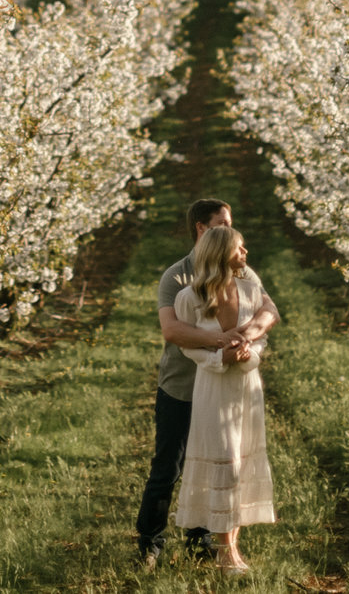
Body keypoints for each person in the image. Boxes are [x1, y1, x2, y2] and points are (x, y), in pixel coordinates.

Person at [136, 198, 280, 566]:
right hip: (183, 384)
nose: (231, 232)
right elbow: (172, 330)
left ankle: (203, 542)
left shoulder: (245, 277)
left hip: (228, 384)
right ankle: (151, 541)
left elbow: (268, 310)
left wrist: (244, 336)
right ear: (203, 229)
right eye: (223, 225)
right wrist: (222, 343)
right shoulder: (178, 277)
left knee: (224, 461)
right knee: (170, 466)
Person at [171, 225, 276, 572]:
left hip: (247, 386)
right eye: (240, 248)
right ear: (221, 253)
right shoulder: (190, 297)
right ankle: (222, 551)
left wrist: (249, 353)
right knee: (225, 464)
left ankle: (233, 547)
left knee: (241, 464)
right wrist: (219, 358)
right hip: (213, 388)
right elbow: (187, 345)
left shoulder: (250, 289)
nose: (246, 254)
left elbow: (262, 334)